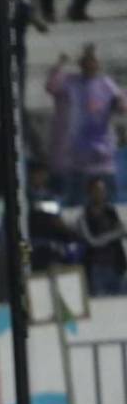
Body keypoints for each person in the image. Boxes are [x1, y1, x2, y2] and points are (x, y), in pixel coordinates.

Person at [46, 46, 125, 205]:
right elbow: (51, 87)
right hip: (75, 160)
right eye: (87, 62)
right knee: (77, 204)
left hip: (103, 159)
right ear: (81, 64)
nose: (91, 65)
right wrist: (60, 64)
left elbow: (122, 106)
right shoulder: (70, 82)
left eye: (93, 61)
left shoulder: (106, 83)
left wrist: (118, 103)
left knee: (109, 204)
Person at [78, 177, 127, 297]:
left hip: (116, 267)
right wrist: (115, 234)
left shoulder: (111, 212)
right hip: (97, 269)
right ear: (90, 193)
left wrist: (119, 233)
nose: (101, 193)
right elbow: (92, 242)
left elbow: (122, 232)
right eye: (97, 190)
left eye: (103, 190)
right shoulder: (84, 217)